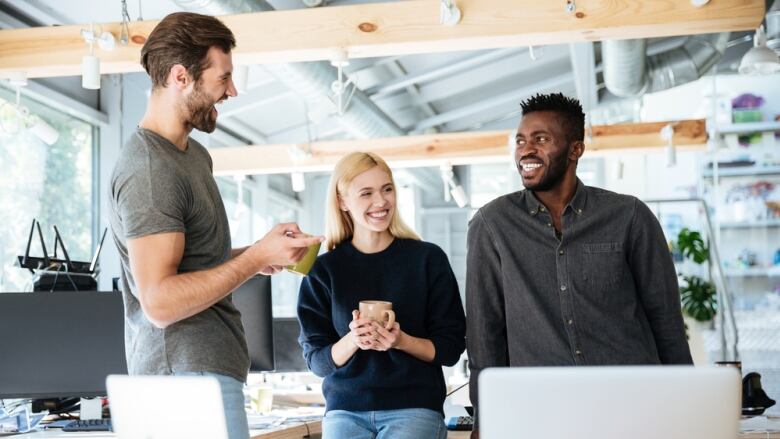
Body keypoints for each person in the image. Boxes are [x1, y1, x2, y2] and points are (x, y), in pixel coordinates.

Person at [108, 12, 322, 439]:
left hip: (204, 374)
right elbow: (160, 302)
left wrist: (257, 253)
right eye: (223, 78)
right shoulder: (149, 170)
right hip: (181, 382)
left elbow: (191, 265)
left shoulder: (192, 156)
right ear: (181, 77)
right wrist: (257, 257)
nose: (232, 91)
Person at [466, 93, 692, 436]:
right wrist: (487, 419)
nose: (526, 150)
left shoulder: (629, 217)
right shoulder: (492, 225)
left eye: (541, 139)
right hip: (542, 412)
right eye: (521, 141)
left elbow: (666, 319)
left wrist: (686, 405)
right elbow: (485, 333)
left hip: (630, 405)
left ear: (575, 150)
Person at [297, 152, 466, 439]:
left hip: (413, 406)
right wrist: (353, 340)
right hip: (345, 411)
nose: (381, 201)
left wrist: (401, 341)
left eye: (387, 189)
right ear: (342, 201)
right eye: (366, 193)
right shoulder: (324, 270)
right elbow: (318, 362)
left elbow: (450, 349)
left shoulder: (427, 259)